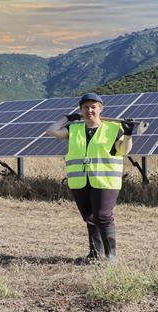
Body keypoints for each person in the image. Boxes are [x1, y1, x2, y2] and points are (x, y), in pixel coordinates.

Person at [45, 93, 134, 263]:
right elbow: (51, 131)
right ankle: (95, 255)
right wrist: (66, 118)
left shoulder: (113, 129)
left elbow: (124, 150)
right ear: (81, 109)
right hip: (80, 181)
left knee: (102, 215)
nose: (89, 110)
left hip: (105, 181)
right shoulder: (74, 129)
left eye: (93, 107)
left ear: (101, 109)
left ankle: (110, 256)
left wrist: (128, 134)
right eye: (85, 107)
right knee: (90, 217)